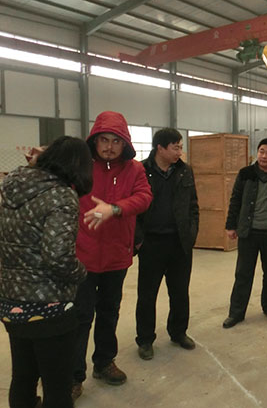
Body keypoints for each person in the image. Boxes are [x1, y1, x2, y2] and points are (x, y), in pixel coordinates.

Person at [0, 136, 93, 408]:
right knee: (57, 385)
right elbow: (58, 257)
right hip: (49, 306)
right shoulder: (61, 195)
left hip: (11, 302)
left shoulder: (11, 186)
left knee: (23, 376)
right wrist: (81, 272)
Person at [72, 111, 152, 399]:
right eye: (104, 140)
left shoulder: (134, 169)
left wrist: (115, 209)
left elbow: (144, 197)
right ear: (94, 140)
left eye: (116, 141)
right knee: (80, 316)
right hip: (82, 255)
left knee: (109, 311)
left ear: (125, 143)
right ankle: (73, 375)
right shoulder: (80, 166)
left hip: (117, 255)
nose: (109, 147)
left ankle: (104, 362)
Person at [134, 128, 199, 360]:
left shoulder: (185, 171)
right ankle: (145, 339)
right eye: (175, 147)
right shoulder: (140, 170)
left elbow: (193, 206)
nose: (179, 152)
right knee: (147, 295)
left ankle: (178, 332)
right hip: (151, 243)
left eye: (180, 147)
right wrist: (138, 240)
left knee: (180, 292)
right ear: (160, 148)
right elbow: (133, 210)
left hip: (179, 243)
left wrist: (191, 234)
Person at [223, 138, 267, 329]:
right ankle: (236, 313)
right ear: (257, 153)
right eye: (261, 151)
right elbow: (235, 200)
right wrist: (231, 225)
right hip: (248, 232)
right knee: (243, 274)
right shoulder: (246, 174)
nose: (264, 156)